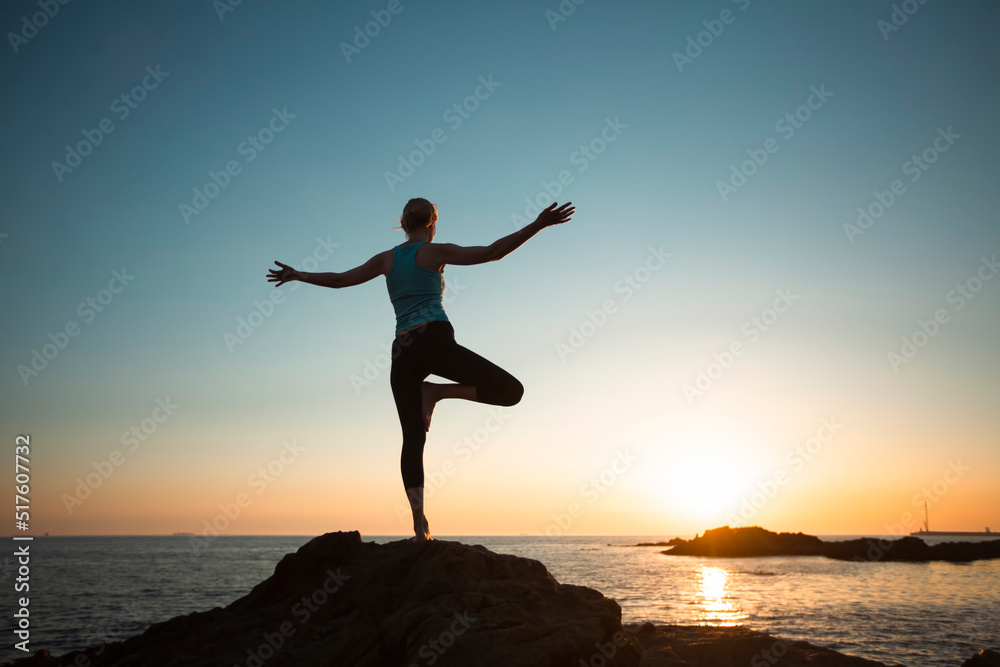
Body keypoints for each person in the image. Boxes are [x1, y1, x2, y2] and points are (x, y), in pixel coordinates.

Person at [266, 197, 575, 542]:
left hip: (403, 352)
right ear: (432, 223)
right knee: (511, 391)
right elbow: (494, 252)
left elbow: (340, 280)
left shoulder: (386, 259)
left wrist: (298, 275)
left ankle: (418, 526)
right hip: (435, 340)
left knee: (413, 439)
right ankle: (439, 391)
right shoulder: (434, 252)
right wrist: (538, 224)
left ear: (403, 222)